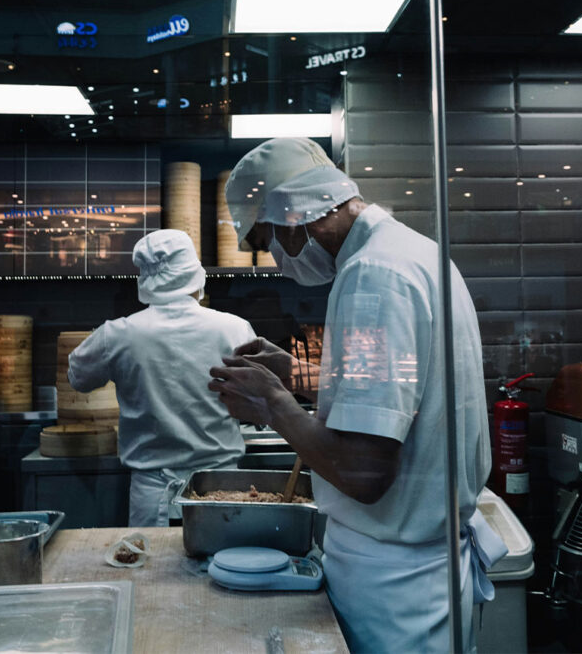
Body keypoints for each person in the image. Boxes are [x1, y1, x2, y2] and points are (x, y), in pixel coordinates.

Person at [211, 138, 505, 653]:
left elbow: (364, 472)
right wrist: (298, 373)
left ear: (294, 216)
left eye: (268, 240)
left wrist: (273, 404)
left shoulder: (373, 276)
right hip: (420, 573)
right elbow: (405, 383)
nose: (277, 260)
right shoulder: (412, 253)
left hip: (393, 588)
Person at [68, 228, 256, 526]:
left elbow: (78, 377)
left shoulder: (119, 334)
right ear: (195, 274)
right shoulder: (235, 329)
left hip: (152, 494)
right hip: (222, 488)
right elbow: (256, 403)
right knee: (223, 569)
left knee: (152, 570)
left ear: (144, 278)